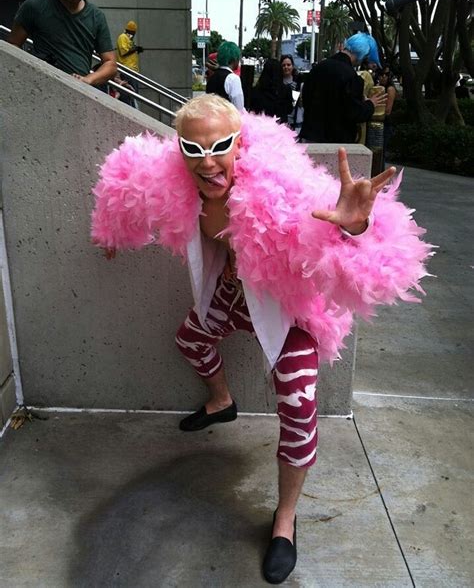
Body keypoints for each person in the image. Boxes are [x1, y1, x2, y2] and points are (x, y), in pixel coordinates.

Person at [91, 95, 432, 584]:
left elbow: (347, 252)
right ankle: (222, 401)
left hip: (286, 312)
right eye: (193, 148)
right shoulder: (173, 181)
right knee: (190, 340)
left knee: (298, 408)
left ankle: (285, 521)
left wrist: (354, 230)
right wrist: (110, 233)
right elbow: (125, 190)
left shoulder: (281, 190)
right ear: (179, 151)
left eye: (221, 146)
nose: (208, 161)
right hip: (232, 298)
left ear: (241, 144)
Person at [7, 0, 116, 87]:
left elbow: (110, 64)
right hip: (39, 88)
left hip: (79, 93)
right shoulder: (35, 6)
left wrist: (89, 79)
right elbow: (12, 47)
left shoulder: (96, 17)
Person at [299, 32, 387, 143]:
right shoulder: (351, 76)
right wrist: (370, 104)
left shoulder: (318, 67)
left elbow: (306, 98)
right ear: (363, 54)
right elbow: (353, 112)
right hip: (337, 140)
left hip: (311, 135)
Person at [249, 58, 293, 123]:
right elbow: (289, 109)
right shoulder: (286, 90)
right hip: (279, 128)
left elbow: (252, 109)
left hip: (259, 127)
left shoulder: (256, 90)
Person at [206, 41, 244, 110]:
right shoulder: (233, 79)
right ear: (234, 59)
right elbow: (239, 107)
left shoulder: (211, 78)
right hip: (228, 118)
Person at [375, 66, 397, 168]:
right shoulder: (378, 87)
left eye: (386, 75)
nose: (383, 77)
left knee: (381, 151)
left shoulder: (390, 89)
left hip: (385, 123)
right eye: (381, 74)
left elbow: (388, 110)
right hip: (377, 123)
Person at [116, 20, 143, 96]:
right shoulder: (122, 37)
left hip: (133, 69)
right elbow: (123, 52)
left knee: (134, 92)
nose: (133, 35)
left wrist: (136, 49)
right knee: (130, 92)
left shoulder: (129, 39)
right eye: (132, 32)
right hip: (127, 69)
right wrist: (135, 49)